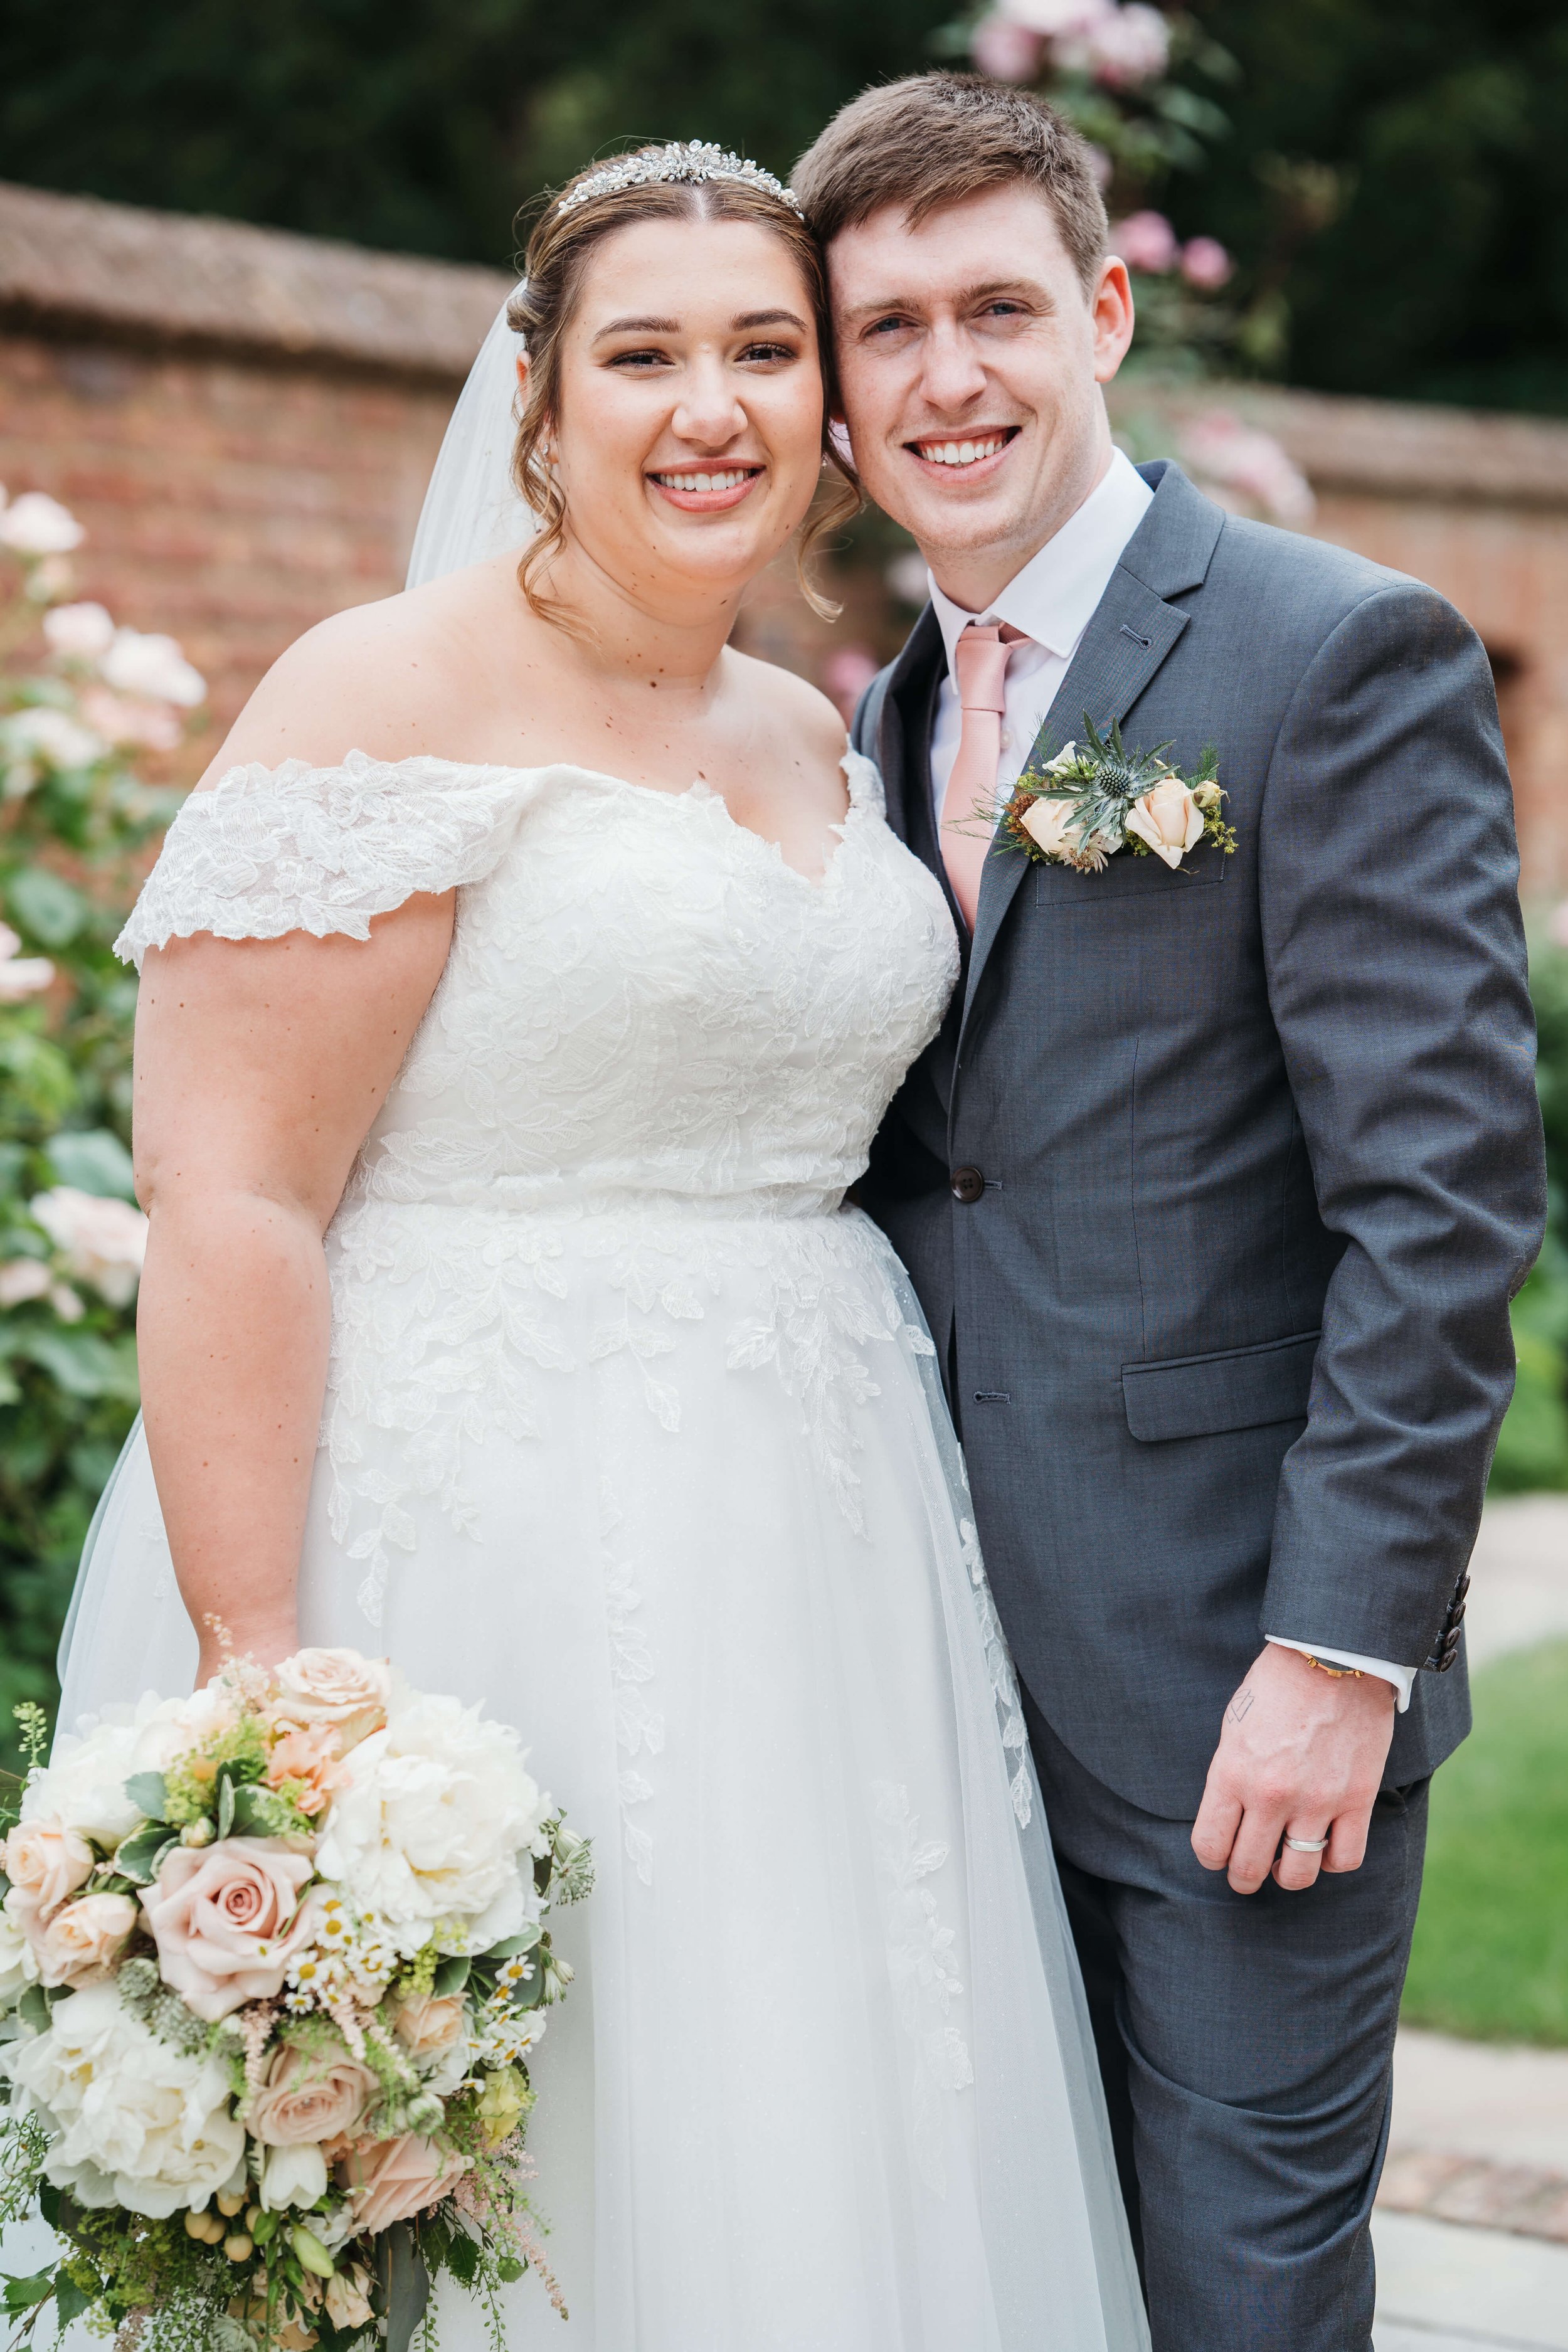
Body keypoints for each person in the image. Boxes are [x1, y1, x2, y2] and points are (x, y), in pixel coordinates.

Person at [53, 144, 1151, 2350]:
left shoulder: (824, 726)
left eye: (765, 350)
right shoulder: (383, 691)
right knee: (505, 2141)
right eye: (644, 354)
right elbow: (235, 1191)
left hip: (826, 1557)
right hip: (476, 1537)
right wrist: (262, 1677)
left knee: (818, 2107)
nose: (712, 406)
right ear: (539, 404)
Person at [792, 71, 1547, 2352]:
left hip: (1236, 1693)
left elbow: (1439, 1199)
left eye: (997, 306)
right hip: (919, 1682)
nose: (949, 375)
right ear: (833, 395)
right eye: (889, 327)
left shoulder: (1332, 652)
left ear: (1106, 309)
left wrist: (1339, 1651)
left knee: (1236, 2297)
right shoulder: (871, 723)